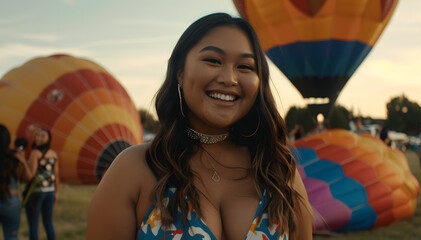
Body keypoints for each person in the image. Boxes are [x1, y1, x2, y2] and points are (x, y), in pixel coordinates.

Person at [87, 13, 313, 240]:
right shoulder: (133, 169)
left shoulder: (279, 171)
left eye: (245, 66)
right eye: (213, 61)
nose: (229, 78)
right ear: (180, 72)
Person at [24, 128, 59, 240]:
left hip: (37, 192)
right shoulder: (53, 154)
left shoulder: (35, 153)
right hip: (50, 191)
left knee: (33, 224)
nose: (38, 138)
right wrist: (56, 192)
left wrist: (23, 162)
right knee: (48, 223)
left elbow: (30, 175)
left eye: (42, 136)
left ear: (48, 139)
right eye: (37, 135)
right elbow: (56, 175)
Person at [0, 124, 32, 240]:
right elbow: (27, 178)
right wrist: (23, 161)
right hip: (11, 202)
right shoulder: (14, 157)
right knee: (11, 237)